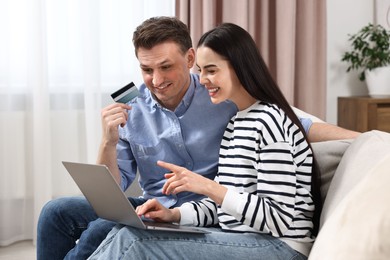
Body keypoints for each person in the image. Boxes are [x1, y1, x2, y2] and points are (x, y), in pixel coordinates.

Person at [36, 17, 359, 260]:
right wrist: (108, 141)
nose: (156, 80)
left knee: (118, 236)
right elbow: (114, 190)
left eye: (210, 71)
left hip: (259, 235)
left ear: (189, 59)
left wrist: (367, 137)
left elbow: (297, 133)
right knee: (60, 212)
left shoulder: (248, 111)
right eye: (147, 70)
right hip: (191, 213)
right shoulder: (232, 121)